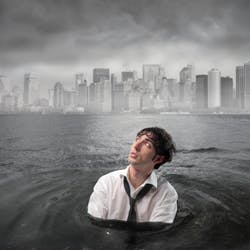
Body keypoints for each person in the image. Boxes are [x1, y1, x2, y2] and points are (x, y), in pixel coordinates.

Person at [87, 127, 178, 225]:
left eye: (147, 144)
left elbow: (157, 235)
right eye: (137, 139)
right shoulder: (106, 183)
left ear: (158, 159)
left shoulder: (167, 194)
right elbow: (94, 226)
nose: (136, 146)